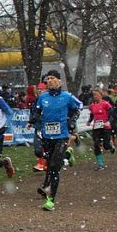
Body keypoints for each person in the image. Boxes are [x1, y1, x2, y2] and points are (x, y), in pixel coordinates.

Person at [30, 71, 80, 211]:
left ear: (59, 81)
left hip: (61, 137)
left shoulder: (67, 97)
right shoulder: (43, 97)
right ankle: (67, 155)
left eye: (52, 78)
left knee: (53, 167)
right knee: (49, 162)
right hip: (47, 137)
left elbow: (76, 111)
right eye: (48, 79)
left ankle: (51, 200)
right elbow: (37, 111)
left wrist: (71, 121)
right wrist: (33, 118)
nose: (50, 81)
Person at [86, 88, 114, 171]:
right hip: (96, 127)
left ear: (101, 95)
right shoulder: (92, 105)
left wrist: (108, 122)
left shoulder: (106, 104)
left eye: (96, 95)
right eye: (93, 95)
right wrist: (89, 121)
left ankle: (110, 146)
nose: (95, 96)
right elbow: (92, 115)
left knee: (106, 145)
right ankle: (100, 164)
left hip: (105, 127)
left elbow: (112, 114)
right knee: (96, 145)